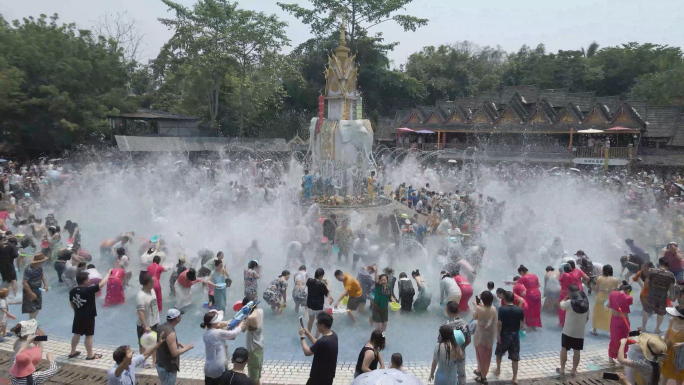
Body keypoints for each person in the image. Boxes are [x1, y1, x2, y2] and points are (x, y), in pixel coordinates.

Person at [68, 269, 112, 360]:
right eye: (88, 279)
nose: (89, 280)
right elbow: (102, 284)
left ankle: (72, 352)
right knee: (89, 336)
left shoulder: (72, 291)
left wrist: (76, 311)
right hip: (88, 316)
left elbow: (72, 303)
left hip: (78, 315)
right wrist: (108, 273)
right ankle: (90, 355)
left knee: (76, 334)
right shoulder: (88, 290)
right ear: (84, 281)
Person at [200, 309, 244, 384]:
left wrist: (228, 325)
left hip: (208, 368)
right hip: (218, 367)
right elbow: (233, 334)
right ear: (214, 323)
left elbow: (222, 332)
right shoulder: (217, 332)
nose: (219, 322)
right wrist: (241, 325)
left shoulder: (206, 334)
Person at [156, 308, 194, 385]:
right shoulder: (170, 333)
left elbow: (163, 344)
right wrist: (188, 347)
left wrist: (176, 344)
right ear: (177, 318)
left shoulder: (161, 326)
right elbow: (175, 353)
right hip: (168, 368)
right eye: (180, 316)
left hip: (160, 364)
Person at [558, 284, 589, 376]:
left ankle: (562, 369)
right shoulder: (586, 304)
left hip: (568, 331)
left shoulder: (569, 302)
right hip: (579, 332)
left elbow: (561, 305)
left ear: (570, 293)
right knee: (577, 351)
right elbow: (587, 318)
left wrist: (566, 298)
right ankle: (574, 370)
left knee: (564, 348)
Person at [494, 291, 525, 385]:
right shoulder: (519, 310)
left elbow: (499, 324)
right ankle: (515, 377)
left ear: (505, 299)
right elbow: (522, 325)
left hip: (505, 334)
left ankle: (498, 370)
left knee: (499, 353)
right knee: (515, 357)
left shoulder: (502, 309)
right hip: (515, 335)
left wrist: (498, 335)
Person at [299, 311, 338, 385]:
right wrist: (307, 334)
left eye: (317, 323)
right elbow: (318, 343)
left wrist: (302, 336)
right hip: (329, 374)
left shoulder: (323, 341)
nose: (315, 324)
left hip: (319, 377)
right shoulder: (333, 335)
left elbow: (307, 352)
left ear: (322, 326)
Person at [641, 257, 675, 334]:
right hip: (662, 296)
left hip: (651, 294)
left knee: (646, 310)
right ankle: (657, 328)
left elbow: (646, 283)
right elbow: (671, 289)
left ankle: (643, 326)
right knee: (660, 312)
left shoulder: (652, 271)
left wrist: (652, 289)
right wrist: (671, 296)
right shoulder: (671, 275)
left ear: (659, 263)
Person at [441, 300, 470, 384]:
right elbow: (468, 340)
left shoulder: (445, 326)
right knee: (461, 375)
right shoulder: (464, 324)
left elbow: (440, 342)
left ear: (448, 311)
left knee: (449, 375)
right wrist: (462, 347)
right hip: (461, 354)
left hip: (448, 355)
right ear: (458, 310)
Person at [473, 290, 497, 385]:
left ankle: (483, 377)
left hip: (480, 335)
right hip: (489, 336)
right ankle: (481, 371)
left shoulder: (479, 308)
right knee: (487, 356)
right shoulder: (493, 309)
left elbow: (475, 317)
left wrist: (475, 306)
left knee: (480, 355)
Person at [241, 297, 264, 385]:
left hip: (253, 345)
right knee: (258, 367)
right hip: (260, 342)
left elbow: (243, 329)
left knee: (253, 369)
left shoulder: (250, 318)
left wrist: (244, 318)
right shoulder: (261, 311)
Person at [136, 275, 159, 366]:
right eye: (153, 282)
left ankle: (155, 361)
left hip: (154, 322)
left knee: (155, 343)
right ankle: (143, 361)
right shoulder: (141, 296)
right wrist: (145, 325)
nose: (155, 284)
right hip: (144, 325)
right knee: (143, 344)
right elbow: (140, 312)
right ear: (149, 283)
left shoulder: (152, 291)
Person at [609, 281, 634, 363]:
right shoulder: (628, 297)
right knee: (624, 339)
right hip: (623, 320)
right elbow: (630, 302)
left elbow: (607, 304)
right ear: (627, 290)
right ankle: (622, 357)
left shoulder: (612, 293)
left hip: (614, 319)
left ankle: (611, 358)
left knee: (613, 338)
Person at [591, 264, 618, 335]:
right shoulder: (615, 280)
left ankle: (594, 329)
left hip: (600, 297)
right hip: (610, 298)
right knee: (609, 315)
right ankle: (610, 331)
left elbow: (596, 289)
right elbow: (616, 290)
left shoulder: (599, 278)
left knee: (597, 313)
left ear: (604, 271)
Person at [21, 252, 48, 319]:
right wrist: (31, 293)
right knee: (32, 310)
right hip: (29, 291)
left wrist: (45, 285)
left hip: (38, 289)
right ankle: (32, 324)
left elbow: (42, 275)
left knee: (37, 308)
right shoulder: (29, 270)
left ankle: (32, 322)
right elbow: (24, 283)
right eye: (42, 261)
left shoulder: (39, 267)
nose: (43, 262)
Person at [661, 306, 684, 385]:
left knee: (679, 377)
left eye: (673, 315)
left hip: (681, 355)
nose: (671, 316)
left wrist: (681, 344)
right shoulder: (672, 321)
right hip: (670, 351)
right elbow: (667, 334)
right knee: (665, 374)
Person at [517, 265, 542, 329]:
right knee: (536, 310)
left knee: (528, 310)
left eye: (520, 273)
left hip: (530, 295)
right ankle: (534, 326)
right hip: (538, 294)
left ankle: (529, 326)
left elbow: (517, 284)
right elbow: (538, 285)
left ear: (522, 272)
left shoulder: (523, 278)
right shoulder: (534, 275)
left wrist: (509, 282)